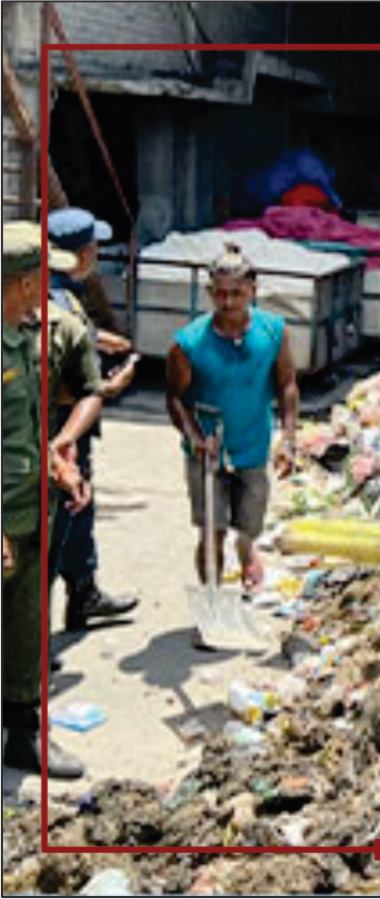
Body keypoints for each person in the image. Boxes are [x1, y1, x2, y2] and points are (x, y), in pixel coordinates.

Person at [165, 243, 298, 646]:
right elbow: (174, 398)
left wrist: (289, 437)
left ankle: (247, 551)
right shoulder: (188, 343)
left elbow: (287, 385)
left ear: (253, 290)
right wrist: (193, 437)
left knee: (248, 523)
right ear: (210, 293)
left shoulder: (273, 332)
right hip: (208, 452)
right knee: (212, 531)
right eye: (220, 294)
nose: (228, 303)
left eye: (237, 294)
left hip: (252, 446)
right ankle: (211, 606)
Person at [2, 221, 94, 778]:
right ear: (21, 282)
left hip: (35, 508)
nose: (50, 285)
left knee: (25, 627)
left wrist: (60, 457)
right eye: (42, 276)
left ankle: (23, 734)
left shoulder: (33, 333)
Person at [46, 208, 140, 630]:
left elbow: (71, 335)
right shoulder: (56, 299)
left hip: (68, 431)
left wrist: (97, 339)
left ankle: (84, 592)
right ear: (82, 254)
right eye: (94, 249)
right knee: (58, 523)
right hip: (62, 429)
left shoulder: (59, 292)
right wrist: (108, 387)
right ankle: (33, 640)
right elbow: (63, 385)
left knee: (77, 513)